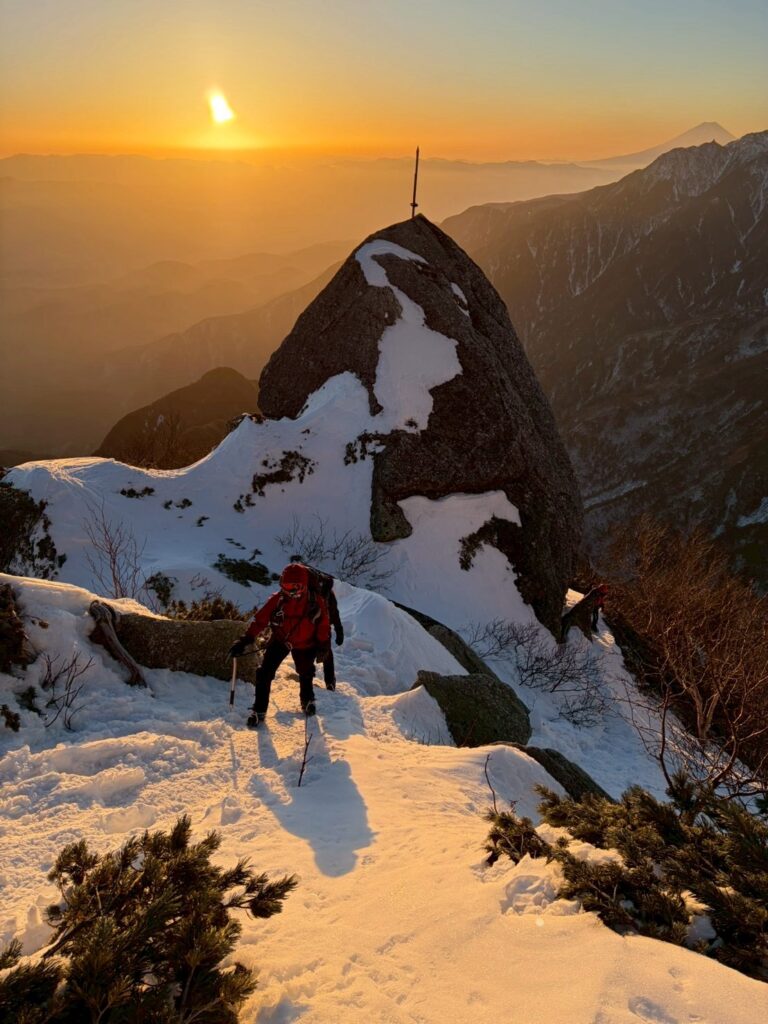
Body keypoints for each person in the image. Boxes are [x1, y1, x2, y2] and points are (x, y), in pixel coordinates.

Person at [228, 563, 331, 726]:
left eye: (294, 587)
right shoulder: (278, 599)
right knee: (264, 673)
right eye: (286, 586)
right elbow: (260, 620)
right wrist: (246, 639)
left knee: (306, 672)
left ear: (303, 585)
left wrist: (323, 643)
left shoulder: (315, 601)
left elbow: (323, 624)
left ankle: (307, 700)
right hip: (281, 640)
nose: (289, 591)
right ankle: (259, 710)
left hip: (306, 644)